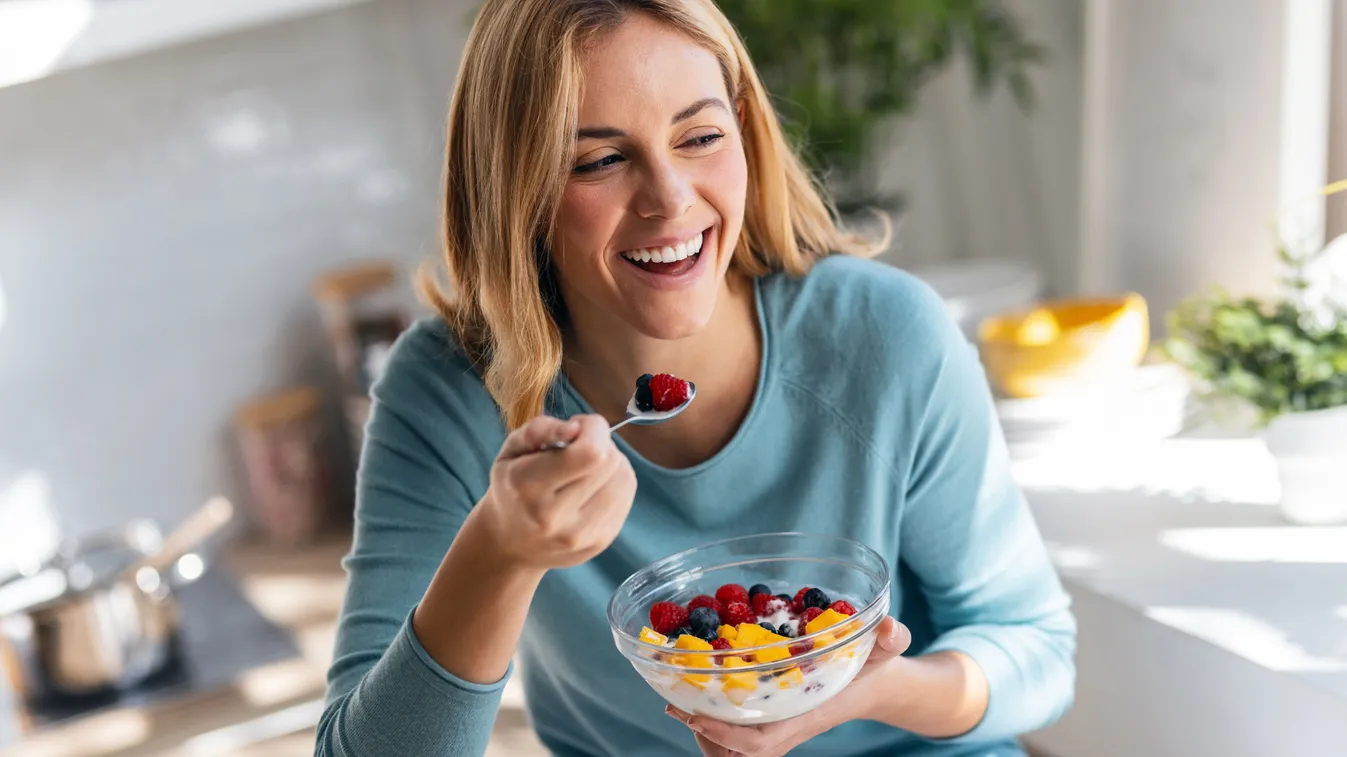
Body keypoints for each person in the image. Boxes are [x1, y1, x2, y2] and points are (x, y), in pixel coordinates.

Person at [315, 0, 1076, 755]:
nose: (670, 199)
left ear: (743, 129)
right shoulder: (446, 392)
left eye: (700, 137)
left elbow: (1036, 651)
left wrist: (860, 688)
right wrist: (498, 553)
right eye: (599, 160)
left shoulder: (884, 334)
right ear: (516, 190)